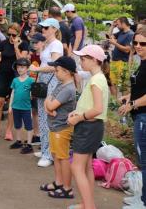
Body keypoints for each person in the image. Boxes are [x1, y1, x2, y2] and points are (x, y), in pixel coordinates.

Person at [68, 45, 109, 209]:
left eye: (83, 59)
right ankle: (87, 203)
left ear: (94, 60)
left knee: (76, 167)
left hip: (88, 128)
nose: (81, 62)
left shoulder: (96, 80)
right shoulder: (98, 78)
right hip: (93, 127)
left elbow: (97, 109)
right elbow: (92, 106)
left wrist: (79, 118)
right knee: (86, 167)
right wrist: (77, 112)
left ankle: (89, 206)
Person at [41, 56, 77, 200]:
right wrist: (49, 107)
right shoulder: (61, 84)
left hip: (62, 128)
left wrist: (49, 106)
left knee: (63, 158)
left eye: (57, 70)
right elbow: (47, 101)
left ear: (66, 71)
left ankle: (67, 189)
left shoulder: (68, 88)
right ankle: (58, 182)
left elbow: (50, 104)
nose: (55, 73)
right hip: (55, 126)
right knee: (56, 156)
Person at [30, 18, 64, 168]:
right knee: (43, 115)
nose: (43, 30)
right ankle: (45, 149)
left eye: (45, 28)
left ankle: (48, 153)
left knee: (47, 116)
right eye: (42, 27)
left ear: (54, 29)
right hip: (44, 81)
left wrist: (37, 70)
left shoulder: (56, 44)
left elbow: (55, 65)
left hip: (50, 81)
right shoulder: (49, 44)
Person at [118, 26, 146, 208]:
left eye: (143, 43)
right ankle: (142, 197)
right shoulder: (142, 61)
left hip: (143, 116)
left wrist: (133, 105)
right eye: (135, 42)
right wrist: (129, 97)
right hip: (139, 115)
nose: (138, 46)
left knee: (144, 160)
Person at [0, 23, 29, 140]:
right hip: (3, 74)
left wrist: (16, 47)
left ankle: (9, 130)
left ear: (19, 34)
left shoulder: (24, 44)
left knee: (13, 104)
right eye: (9, 34)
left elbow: (22, 61)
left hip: (17, 77)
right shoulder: (3, 43)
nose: (11, 37)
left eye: (14, 35)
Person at [8, 58, 35, 154]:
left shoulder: (31, 81)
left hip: (26, 108)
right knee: (17, 125)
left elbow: (33, 95)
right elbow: (12, 93)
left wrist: (32, 108)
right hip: (16, 107)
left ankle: (29, 144)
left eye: (22, 67)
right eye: (18, 67)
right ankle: (19, 141)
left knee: (28, 126)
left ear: (27, 68)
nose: (20, 69)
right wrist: (10, 106)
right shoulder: (15, 80)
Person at [109, 17, 134, 99]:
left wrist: (115, 43)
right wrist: (112, 26)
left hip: (122, 62)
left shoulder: (130, 34)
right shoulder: (121, 32)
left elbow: (127, 50)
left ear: (123, 23)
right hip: (114, 61)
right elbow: (109, 36)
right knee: (112, 83)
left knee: (123, 86)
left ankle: (124, 103)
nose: (117, 26)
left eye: (118, 24)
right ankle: (114, 103)